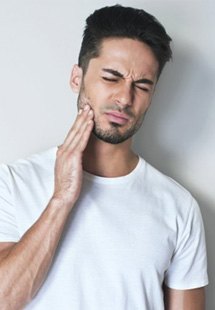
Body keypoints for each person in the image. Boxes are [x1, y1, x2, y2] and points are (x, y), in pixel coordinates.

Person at [0, 4, 208, 310]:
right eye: (112, 77)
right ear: (77, 79)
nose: (125, 98)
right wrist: (61, 199)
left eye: (141, 85)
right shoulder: (14, 183)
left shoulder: (178, 206)